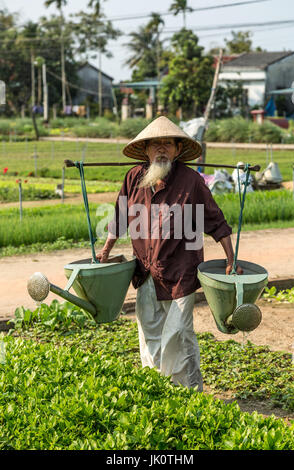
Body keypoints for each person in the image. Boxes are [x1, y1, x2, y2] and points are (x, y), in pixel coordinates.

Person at [96, 116, 242, 392]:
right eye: (155, 144)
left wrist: (231, 259)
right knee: (149, 331)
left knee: (177, 333)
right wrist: (106, 250)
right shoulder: (134, 178)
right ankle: (157, 389)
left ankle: (187, 392)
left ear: (177, 150)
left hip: (180, 272)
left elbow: (216, 222)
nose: (161, 149)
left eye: (167, 144)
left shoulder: (191, 181)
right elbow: (119, 217)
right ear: (147, 150)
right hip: (146, 272)